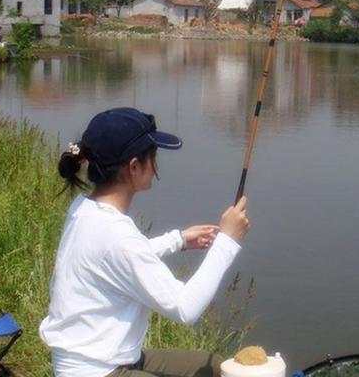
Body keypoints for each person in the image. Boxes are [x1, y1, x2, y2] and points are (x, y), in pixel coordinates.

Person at [39, 108, 250, 377]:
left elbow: (116, 259)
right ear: (135, 166)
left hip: (103, 358)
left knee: (217, 367)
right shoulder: (117, 234)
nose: (156, 166)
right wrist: (227, 242)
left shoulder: (86, 209)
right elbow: (185, 308)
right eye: (154, 157)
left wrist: (179, 240)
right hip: (99, 370)